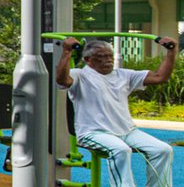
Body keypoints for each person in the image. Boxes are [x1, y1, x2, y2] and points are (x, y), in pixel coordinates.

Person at [57, 34, 178, 187]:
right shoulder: (80, 75)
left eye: (110, 56)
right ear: (88, 60)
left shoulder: (124, 75)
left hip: (127, 132)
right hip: (93, 133)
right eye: (101, 56)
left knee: (163, 150)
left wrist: (171, 52)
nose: (108, 59)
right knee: (120, 150)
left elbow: (160, 77)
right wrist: (67, 52)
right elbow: (62, 80)